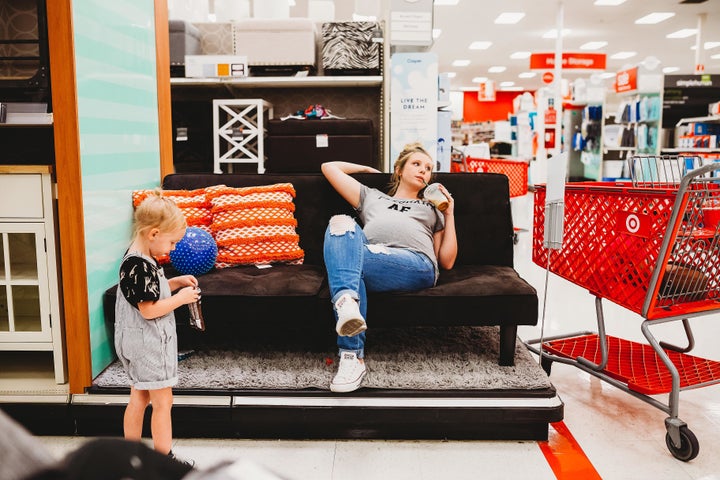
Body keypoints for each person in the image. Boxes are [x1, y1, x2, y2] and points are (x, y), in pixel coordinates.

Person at [321, 142, 458, 393]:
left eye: (428, 168)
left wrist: (449, 215)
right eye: (416, 164)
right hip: (369, 259)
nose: (423, 171)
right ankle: (352, 354)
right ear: (399, 170)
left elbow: (446, 261)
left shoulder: (431, 209)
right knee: (340, 222)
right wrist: (365, 169)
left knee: (348, 263)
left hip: (415, 263)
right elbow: (328, 167)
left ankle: (345, 311)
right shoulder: (372, 196)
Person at [114, 190, 199, 467]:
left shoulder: (138, 258)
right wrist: (180, 299)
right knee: (164, 402)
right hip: (148, 345)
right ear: (153, 234)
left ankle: (131, 456)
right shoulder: (139, 265)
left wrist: (175, 283)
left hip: (137, 343)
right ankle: (165, 462)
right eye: (172, 242)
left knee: (139, 397)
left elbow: (149, 293)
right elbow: (149, 310)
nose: (173, 249)